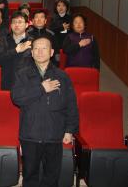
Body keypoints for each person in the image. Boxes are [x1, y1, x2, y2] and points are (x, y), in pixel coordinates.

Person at [11, 35, 79, 187]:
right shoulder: (22, 74)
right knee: (30, 177)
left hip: (54, 135)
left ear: (51, 52)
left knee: (51, 178)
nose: (40, 51)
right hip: (30, 134)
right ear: (32, 52)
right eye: (36, 48)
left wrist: (69, 130)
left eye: (44, 48)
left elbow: (71, 105)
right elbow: (17, 98)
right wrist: (41, 88)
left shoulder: (62, 76)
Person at [0, 11, 32, 90]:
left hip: (27, 84)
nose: (16, 25)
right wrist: (16, 50)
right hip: (8, 82)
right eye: (14, 22)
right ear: (11, 25)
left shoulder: (33, 41)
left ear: (26, 25)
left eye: (20, 22)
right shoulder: (3, 40)